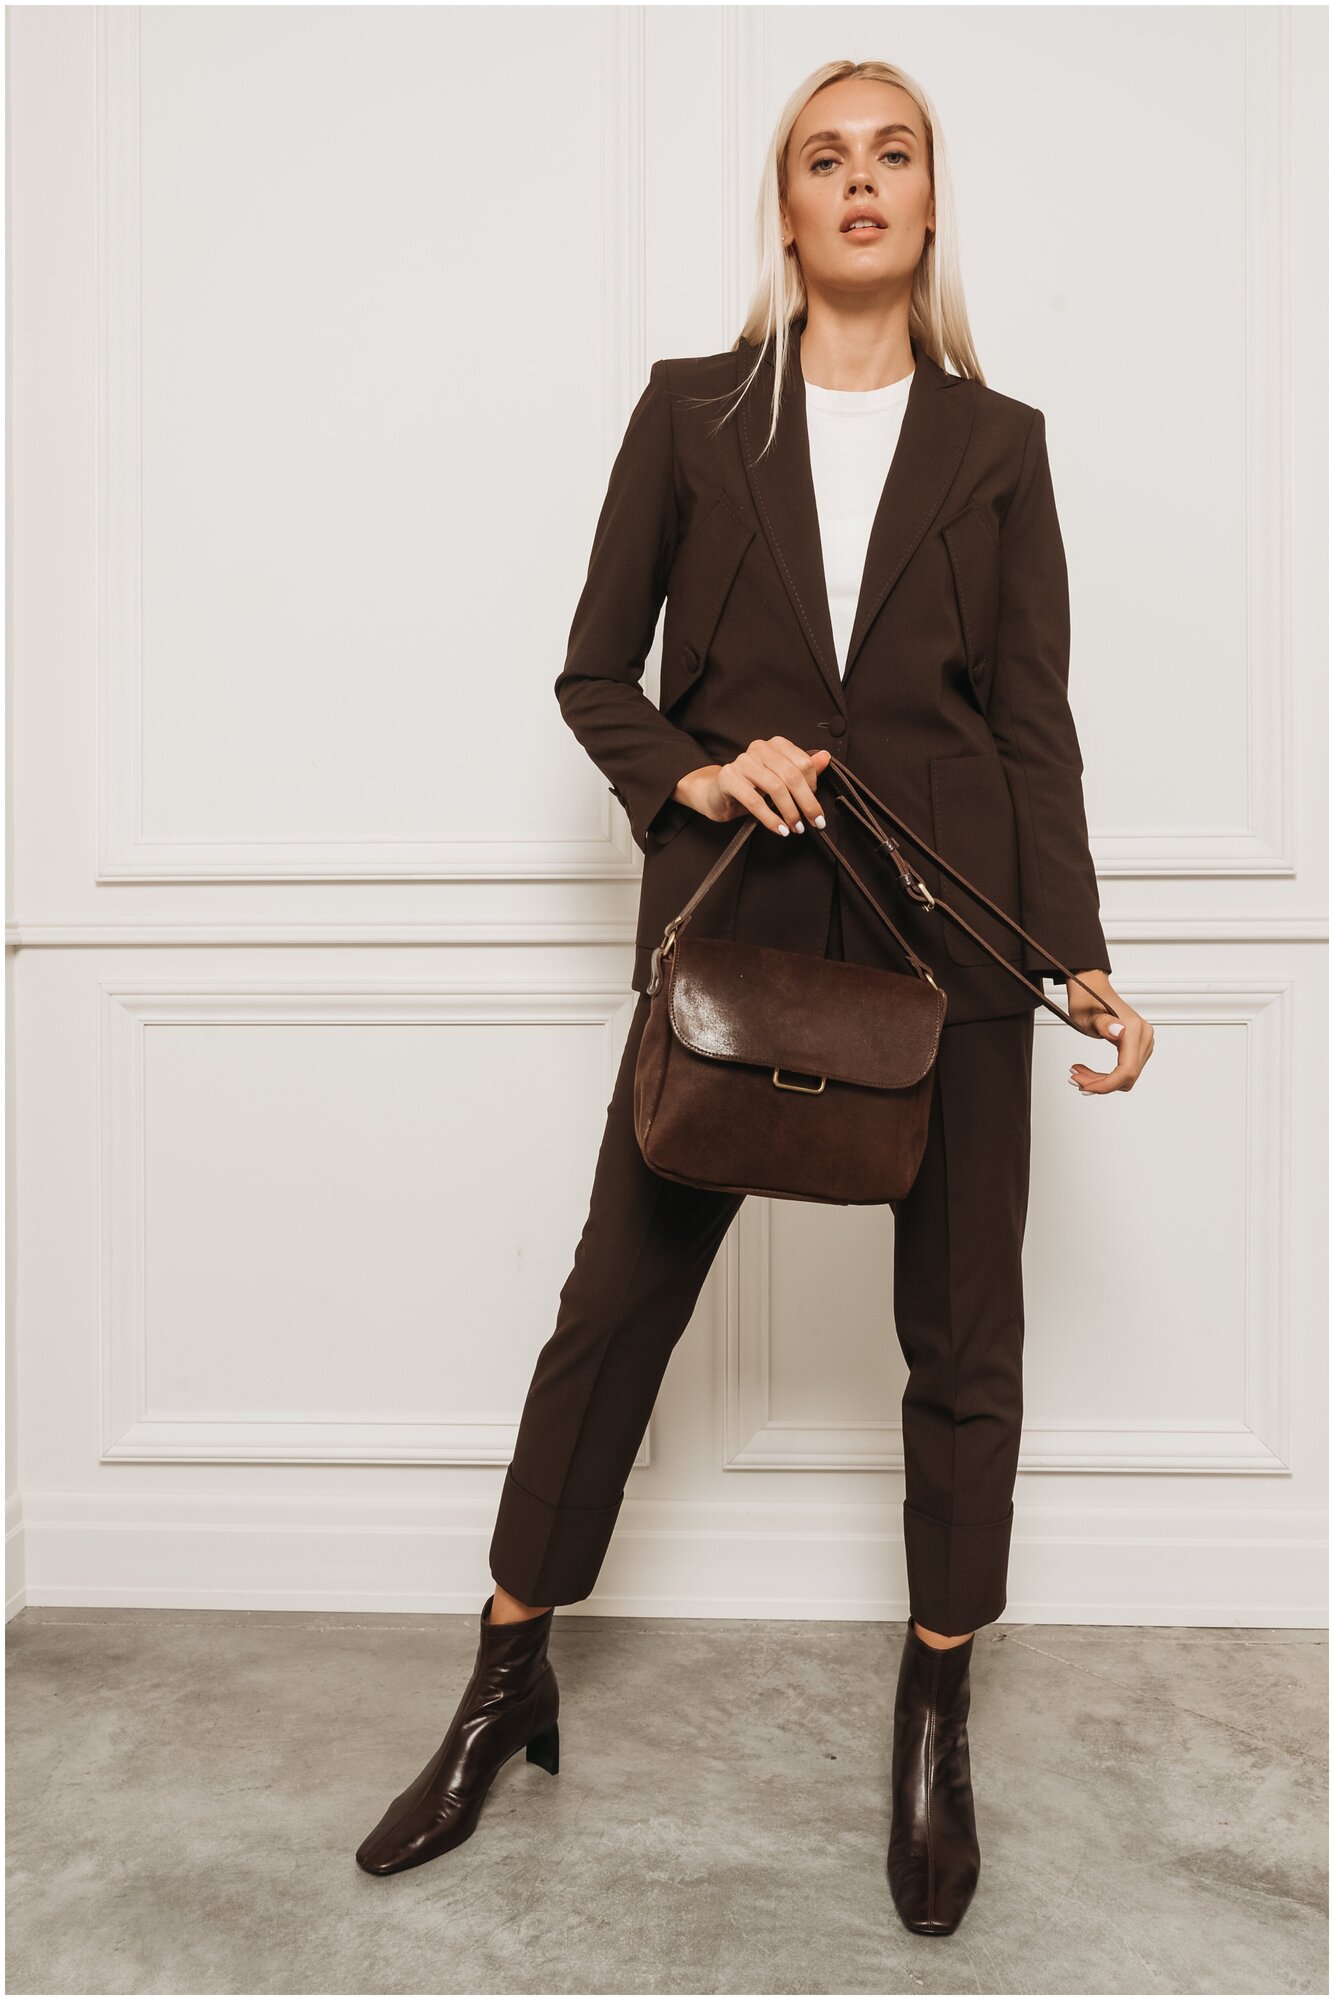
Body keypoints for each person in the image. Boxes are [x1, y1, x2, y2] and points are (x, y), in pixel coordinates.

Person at [355, 56, 1155, 1933]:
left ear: (928, 203)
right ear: (784, 209)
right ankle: (502, 1679)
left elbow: (1030, 726)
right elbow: (592, 676)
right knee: (611, 1310)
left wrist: (1079, 956)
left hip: (952, 946)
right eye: (823, 157)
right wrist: (700, 774)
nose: (859, 181)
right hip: (741, 937)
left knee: (962, 1349)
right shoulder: (691, 411)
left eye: (893, 154)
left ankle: (934, 1719)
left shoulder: (999, 442)